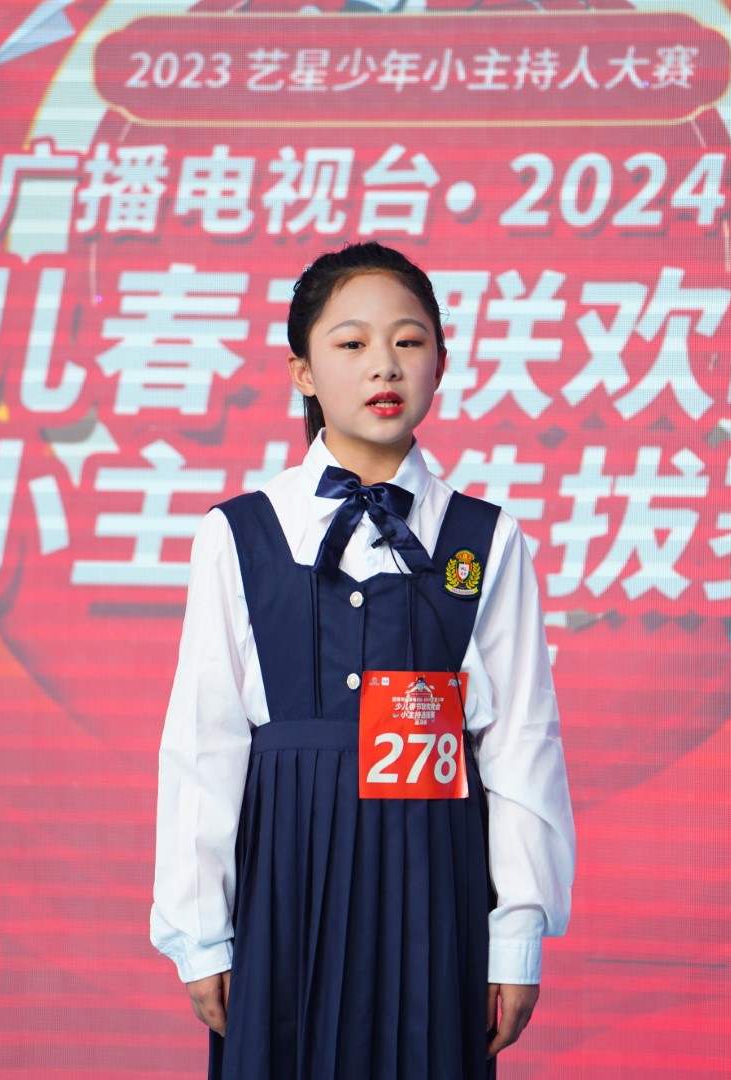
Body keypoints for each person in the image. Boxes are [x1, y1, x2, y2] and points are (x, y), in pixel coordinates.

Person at [151, 242, 575, 1079]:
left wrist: (517, 935)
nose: (385, 364)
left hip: (434, 881)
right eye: (351, 343)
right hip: (284, 886)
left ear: (441, 363)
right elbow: (203, 745)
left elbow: (522, 742)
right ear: (303, 372)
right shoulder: (239, 533)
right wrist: (200, 932)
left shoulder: (485, 539)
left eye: (409, 341)